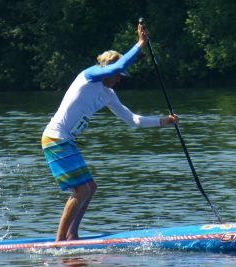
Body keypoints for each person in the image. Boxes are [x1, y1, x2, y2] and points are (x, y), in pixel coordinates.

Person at [41, 23, 178, 241]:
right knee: (81, 191)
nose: (119, 79)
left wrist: (164, 121)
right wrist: (141, 44)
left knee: (90, 188)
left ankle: (72, 235)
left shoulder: (109, 94)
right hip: (55, 138)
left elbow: (133, 120)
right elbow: (116, 67)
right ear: (108, 70)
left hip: (67, 141)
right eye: (118, 75)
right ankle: (59, 243)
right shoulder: (89, 76)